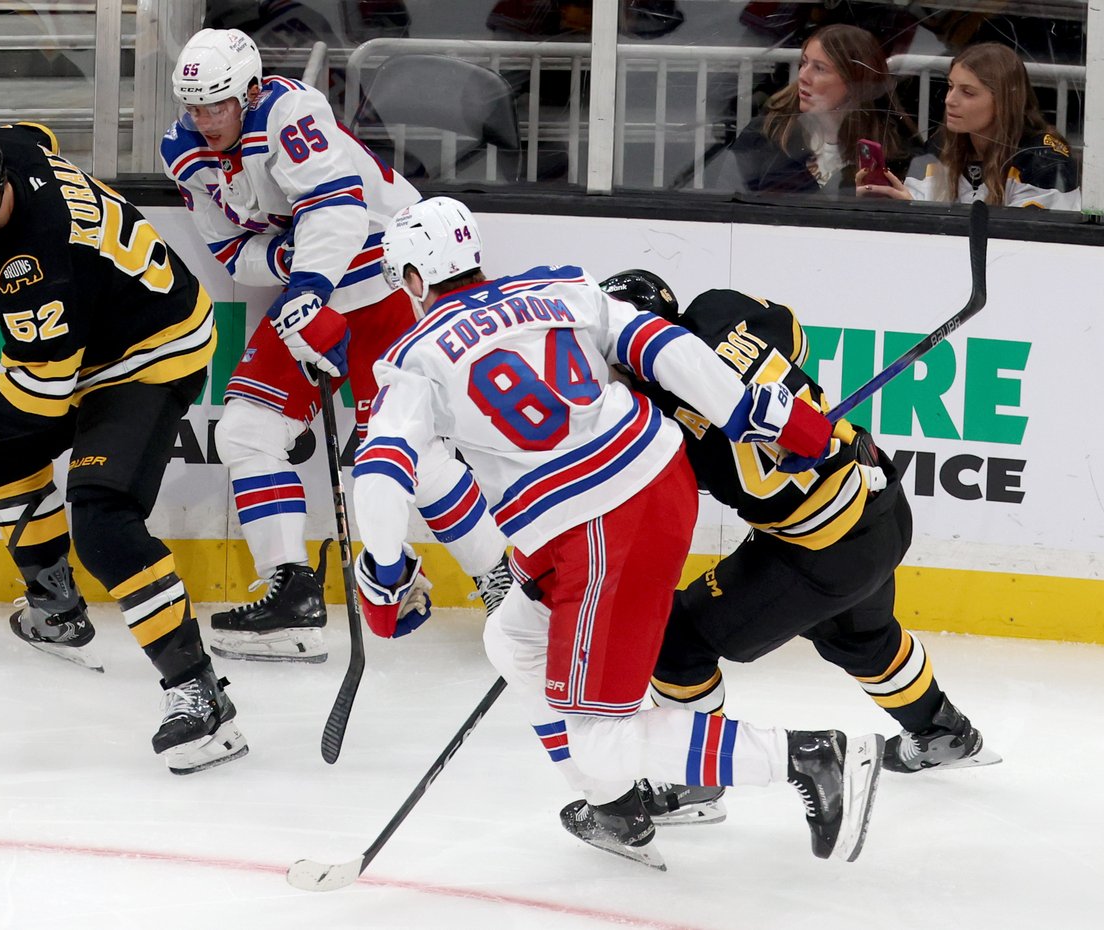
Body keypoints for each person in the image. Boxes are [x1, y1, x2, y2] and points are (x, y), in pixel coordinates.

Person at [351, 195, 885, 869]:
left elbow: (379, 471)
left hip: (603, 525)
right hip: (632, 491)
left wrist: (385, 572)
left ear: (415, 279)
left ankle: (810, 757)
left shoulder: (414, 358)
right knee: (513, 637)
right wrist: (768, 418)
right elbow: (670, 351)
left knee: (600, 738)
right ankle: (617, 809)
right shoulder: (558, 290)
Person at [0, 122, 247, 775]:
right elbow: (42, 134)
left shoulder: (30, 265)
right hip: (97, 333)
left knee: (104, 520)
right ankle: (56, 606)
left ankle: (201, 700)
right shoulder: (9, 152)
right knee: (5, 456)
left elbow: (41, 396)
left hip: (152, 352)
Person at [160, 28, 512, 665]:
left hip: (381, 272)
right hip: (313, 285)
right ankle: (291, 588)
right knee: (245, 430)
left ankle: (501, 583)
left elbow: (340, 212)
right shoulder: (182, 150)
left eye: (216, 105)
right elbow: (232, 252)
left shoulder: (292, 112)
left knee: (409, 448)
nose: (204, 120)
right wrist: (299, 274)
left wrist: (308, 286)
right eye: (194, 107)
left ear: (250, 90)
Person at [597, 270, 1000, 822]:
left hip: (817, 551)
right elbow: (795, 336)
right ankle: (944, 732)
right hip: (877, 498)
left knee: (677, 644)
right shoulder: (719, 308)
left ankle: (697, 785)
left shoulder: (643, 417)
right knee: (861, 638)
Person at [858, 42, 1080, 210]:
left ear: (1004, 101)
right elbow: (920, 210)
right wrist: (895, 205)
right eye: (950, 87)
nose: (949, 100)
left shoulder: (1044, 159)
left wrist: (926, 215)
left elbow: (1024, 242)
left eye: (968, 92)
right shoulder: (941, 144)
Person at [732, 24, 922, 196]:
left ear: (855, 82)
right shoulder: (767, 131)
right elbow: (728, 200)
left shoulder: (895, 153)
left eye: (820, 69)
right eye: (804, 63)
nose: (803, 76)